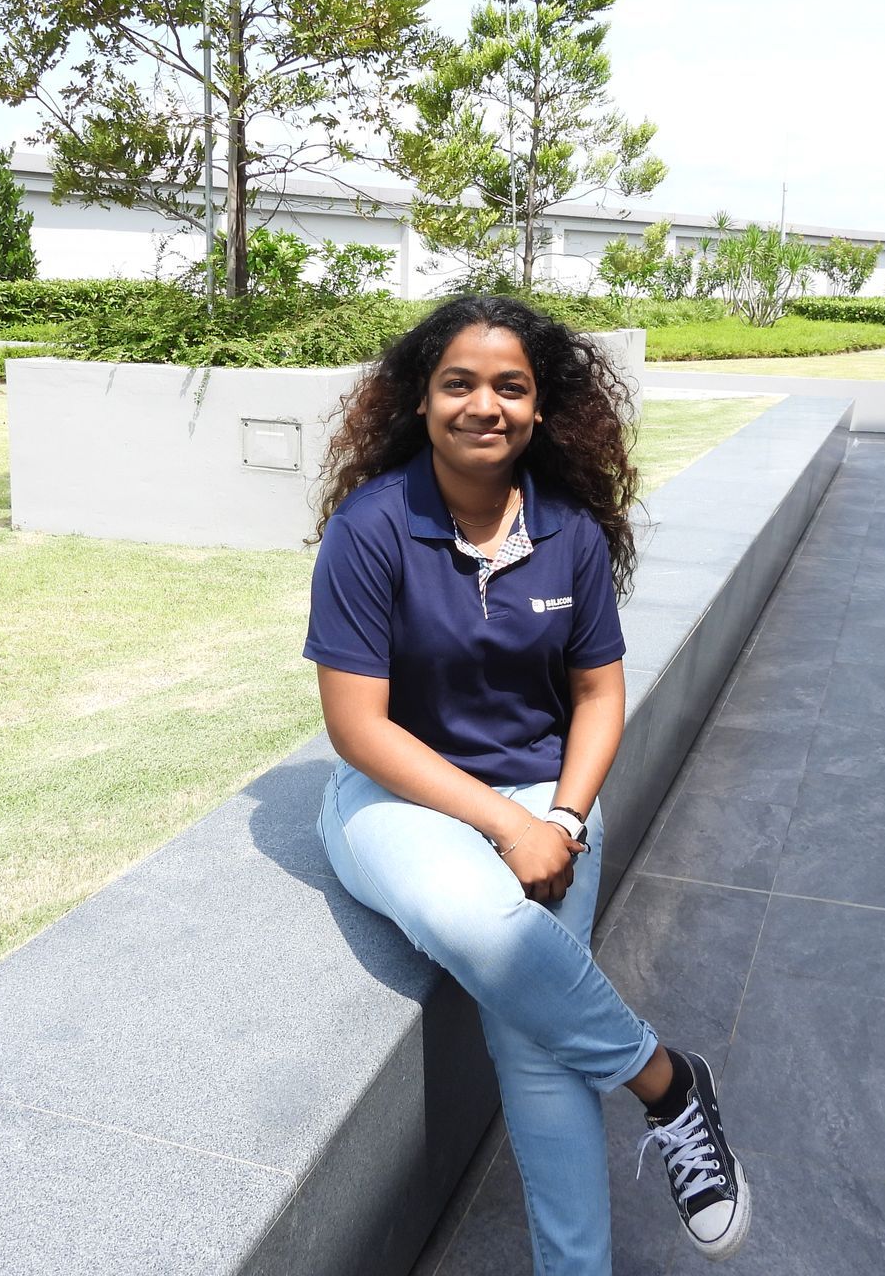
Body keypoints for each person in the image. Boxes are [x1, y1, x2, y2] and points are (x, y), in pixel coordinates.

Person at [305, 294, 750, 1273]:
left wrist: (562, 812)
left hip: (550, 800)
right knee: (481, 925)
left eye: (511, 386)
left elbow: (598, 695)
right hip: (397, 797)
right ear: (420, 400)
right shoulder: (371, 529)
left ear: (541, 408)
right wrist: (507, 826)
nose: (484, 404)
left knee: (540, 1056)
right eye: (458, 382)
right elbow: (357, 726)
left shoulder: (571, 534)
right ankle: (668, 1085)